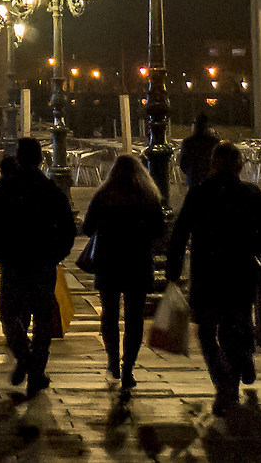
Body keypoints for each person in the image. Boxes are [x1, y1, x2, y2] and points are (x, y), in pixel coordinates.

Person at [165, 142, 261, 407]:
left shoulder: (199, 194)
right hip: (240, 271)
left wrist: (173, 270)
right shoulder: (251, 194)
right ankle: (243, 358)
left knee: (207, 331)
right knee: (238, 319)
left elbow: (179, 234)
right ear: (239, 166)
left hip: (207, 272)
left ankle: (223, 380)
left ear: (213, 164)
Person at [0, 138, 78, 397]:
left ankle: (23, 354)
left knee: (10, 314)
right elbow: (68, 226)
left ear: (19, 158)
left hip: (12, 261)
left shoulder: (4, 189)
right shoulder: (49, 189)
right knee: (43, 319)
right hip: (43, 261)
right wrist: (57, 253)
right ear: (41, 160)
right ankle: (36, 369)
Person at [83, 153, 166, 388]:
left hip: (108, 261)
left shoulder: (104, 195)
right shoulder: (148, 197)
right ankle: (128, 365)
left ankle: (112, 360)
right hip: (137, 262)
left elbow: (88, 228)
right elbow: (159, 230)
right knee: (134, 316)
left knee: (109, 313)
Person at [178, 113, 220, 193]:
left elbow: (183, 163)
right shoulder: (214, 142)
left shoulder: (188, 142)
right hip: (211, 178)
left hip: (193, 178)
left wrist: (190, 172)